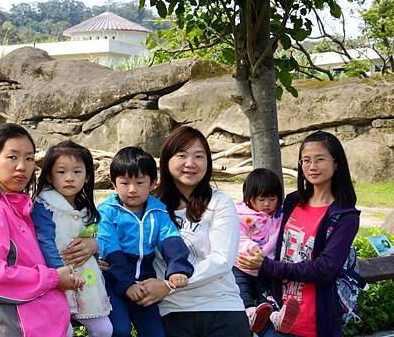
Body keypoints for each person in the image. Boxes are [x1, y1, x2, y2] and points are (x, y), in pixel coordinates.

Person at [0, 124, 84, 337]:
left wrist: (92, 244)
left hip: (45, 326)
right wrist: (53, 278)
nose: (22, 167)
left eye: (29, 158)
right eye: (12, 157)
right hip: (12, 328)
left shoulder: (21, 207)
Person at [128, 126, 249, 337]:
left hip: (221, 307)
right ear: (166, 160)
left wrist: (169, 285)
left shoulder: (219, 202)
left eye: (199, 156)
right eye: (182, 155)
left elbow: (221, 260)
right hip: (172, 311)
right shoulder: (149, 205)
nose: (190, 164)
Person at [237, 130, 360, 337]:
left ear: (336, 163)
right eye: (306, 160)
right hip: (275, 319)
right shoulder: (293, 201)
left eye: (319, 159)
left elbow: (324, 269)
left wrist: (266, 266)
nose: (312, 167)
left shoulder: (344, 216)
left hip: (315, 322)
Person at [97, 146, 194, 337]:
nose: (132, 190)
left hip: (145, 284)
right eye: (124, 183)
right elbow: (110, 249)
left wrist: (178, 269)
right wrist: (127, 285)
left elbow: (171, 239)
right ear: (113, 184)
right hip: (114, 279)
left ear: (153, 184)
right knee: (120, 329)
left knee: (155, 333)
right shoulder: (107, 211)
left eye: (140, 182)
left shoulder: (158, 211)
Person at [32, 140, 113, 337]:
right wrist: (60, 272)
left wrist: (95, 254)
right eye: (61, 172)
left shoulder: (84, 206)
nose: (69, 178)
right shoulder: (45, 205)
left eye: (77, 172)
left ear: (87, 177)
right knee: (63, 331)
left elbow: (92, 235)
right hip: (57, 279)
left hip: (86, 279)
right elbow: (45, 241)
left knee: (105, 329)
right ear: (50, 176)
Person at [233, 168, 300, 333]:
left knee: (266, 292)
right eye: (261, 199)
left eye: (272, 198)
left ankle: (276, 315)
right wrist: (252, 249)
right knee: (242, 289)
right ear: (249, 198)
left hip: (265, 266)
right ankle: (249, 314)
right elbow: (237, 236)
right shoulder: (241, 214)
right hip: (242, 265)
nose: (267, 204)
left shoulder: (279, 215)